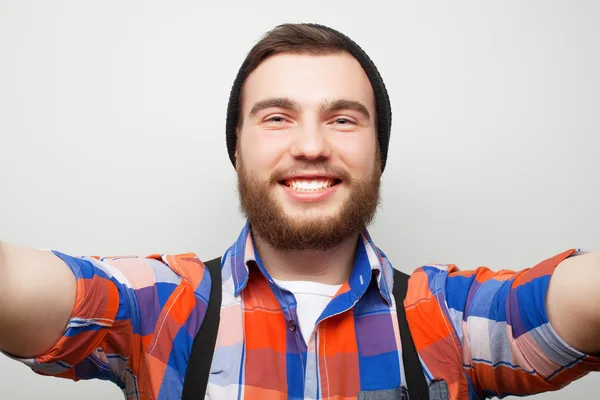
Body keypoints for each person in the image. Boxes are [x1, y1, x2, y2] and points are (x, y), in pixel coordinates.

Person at [0, 23, 598, 400]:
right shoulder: (159, 306)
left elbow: (571, 299)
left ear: (378, 152)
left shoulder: (453, 318)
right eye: (277, 117)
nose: (311, 145)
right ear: (237, 149)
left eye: (342, 118)